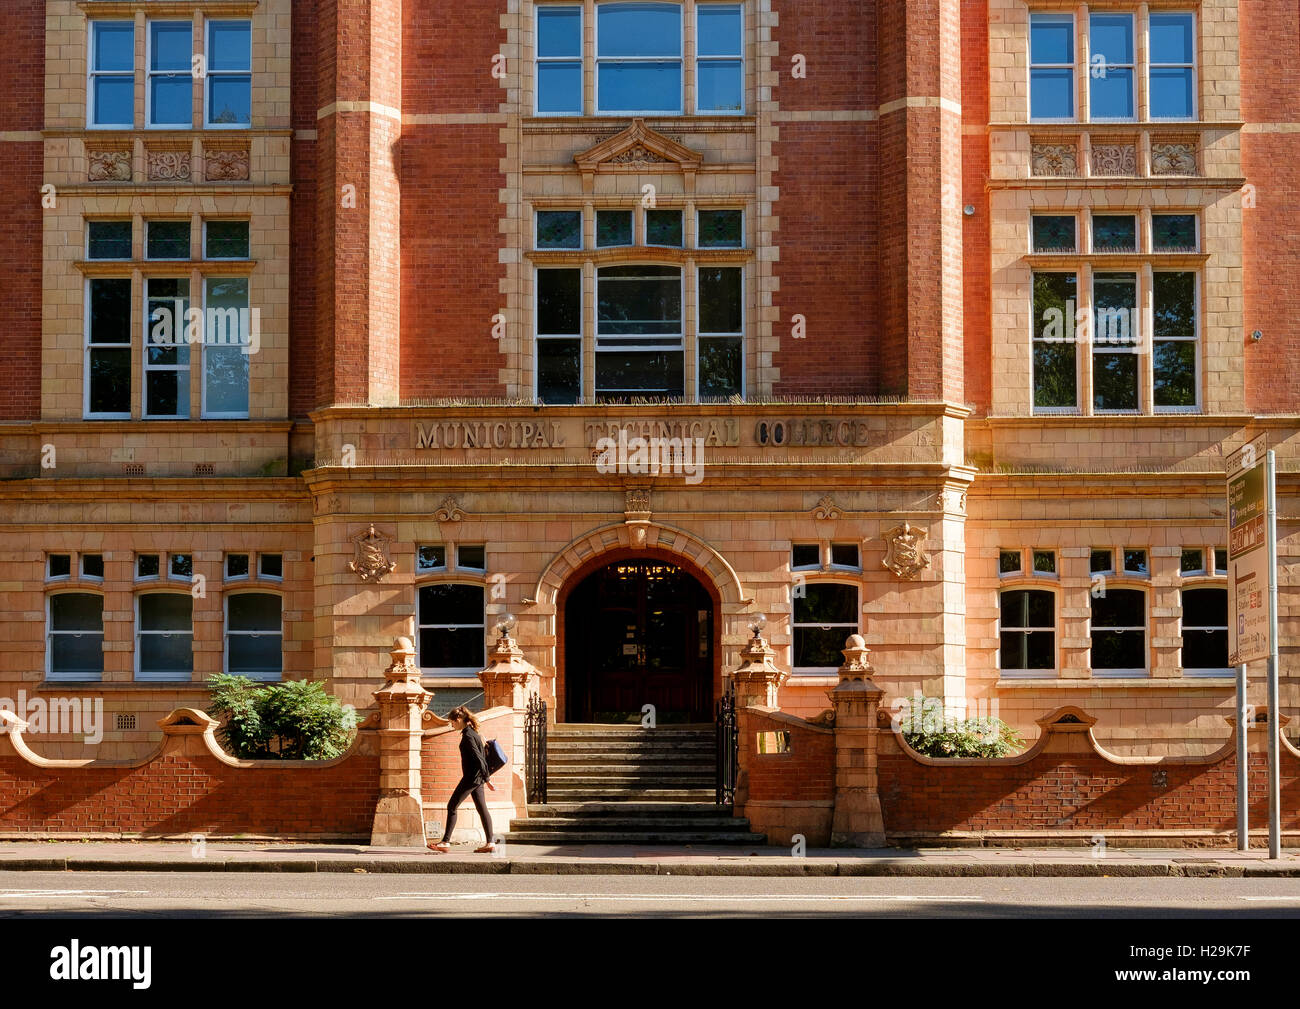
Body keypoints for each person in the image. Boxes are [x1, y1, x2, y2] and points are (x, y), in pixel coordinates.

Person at [428, 706, 497, 853]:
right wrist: (484, 777)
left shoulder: (468, 736)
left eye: (452, 723)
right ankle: (490, 842)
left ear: (458, 720)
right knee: (482, 808)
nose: (452, 725)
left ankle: (445, 842)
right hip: (476, 778)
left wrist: (487, 778)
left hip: (472, 778)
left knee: (452, 805)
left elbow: (479, 758)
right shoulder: (473, 733)